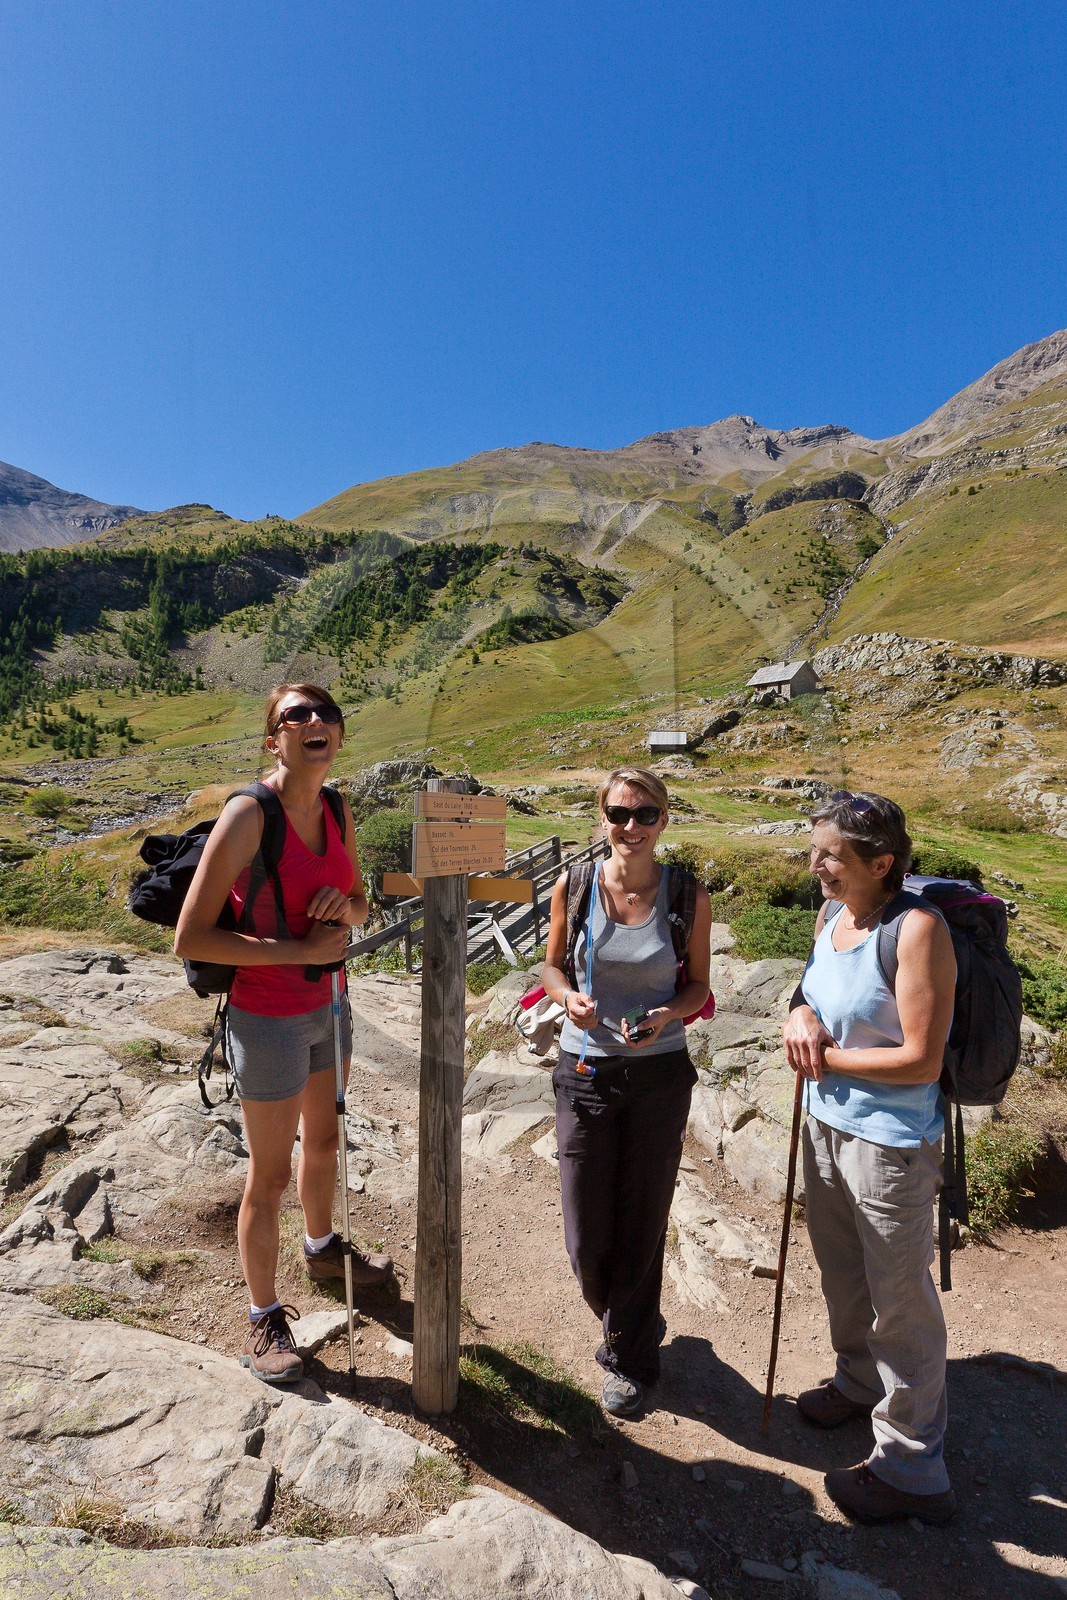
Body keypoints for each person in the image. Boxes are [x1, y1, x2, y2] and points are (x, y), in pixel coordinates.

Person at [175, 683, 393, 1383]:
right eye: (293, 716)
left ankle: (322, 1246)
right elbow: (191, 935)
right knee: (268, 1174)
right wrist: (298, 951)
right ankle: (263, 1318)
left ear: (337, 736)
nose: (312, 721)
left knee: (325, 1138)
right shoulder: (246, 815)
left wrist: (345, 908)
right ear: (274, 741)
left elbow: (360, 901)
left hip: (331, 1000)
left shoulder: (336, 806)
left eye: (324, 712)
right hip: (267, 1012)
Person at [783, 790, 957, 1525]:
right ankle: (857, 1384)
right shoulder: (831, 917)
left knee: (900, 1300)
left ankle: (913, 1467)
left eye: (832, 855)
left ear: (880, 862)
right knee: (842, 1271)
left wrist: (827, 1059)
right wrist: (798, 1015)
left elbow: (920, 1061)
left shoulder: (917, 929)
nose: (816, 865)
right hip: (824, 1126)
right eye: (814, 849)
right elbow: (810, 996)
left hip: (890, 1144)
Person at [540, 767, 711, 1417]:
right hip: (583, 1074)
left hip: (659, 1077)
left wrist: (668, 1015)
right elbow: (550, 966)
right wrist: (568, 999)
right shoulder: (575, 885)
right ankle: (629, 1320)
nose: (629, 827)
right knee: (585, 1236)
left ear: (664, 820)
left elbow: (697, 985)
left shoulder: (687, 895)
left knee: (642, 1221)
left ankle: (629, 1355)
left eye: (644, 815)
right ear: (600, 819)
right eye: (617, 814)